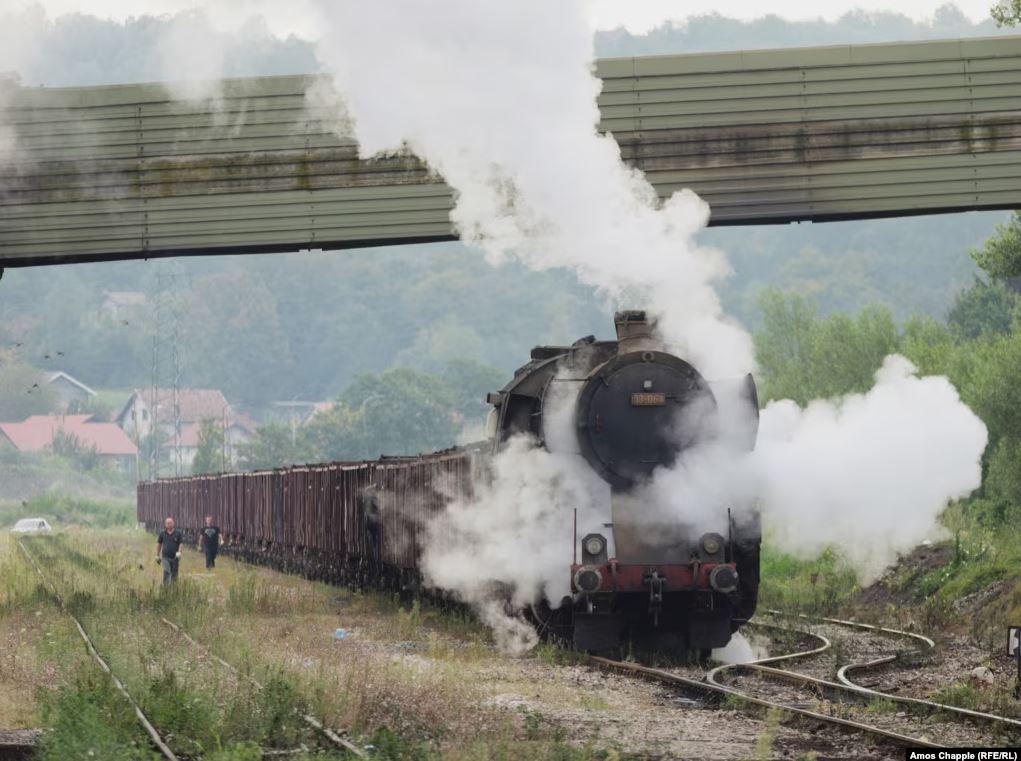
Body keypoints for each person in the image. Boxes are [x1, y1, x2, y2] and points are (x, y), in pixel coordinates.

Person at [156, 517, 184, 585]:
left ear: (173, 523)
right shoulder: (162, 533)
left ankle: (173, 588)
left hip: (175, 557)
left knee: (174, 573)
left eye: (170, 523)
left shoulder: (178, 533)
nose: (169, 524)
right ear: (165, 525)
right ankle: (166, 589)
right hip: (165, 557)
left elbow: (181, 544)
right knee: (166, 572)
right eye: (168, 523)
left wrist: (179, 552)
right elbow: (159, 544)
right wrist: (157, 555)